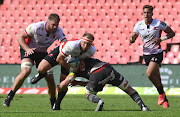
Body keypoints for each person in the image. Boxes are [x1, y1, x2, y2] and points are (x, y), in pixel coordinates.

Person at [3, 13, 67, 109]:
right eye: (53, 24)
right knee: (26, 71)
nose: (55, 27)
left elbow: (64, 44)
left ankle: (54, 104)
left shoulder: (58, 31)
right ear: (48, 22)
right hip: (29, 50)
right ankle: (10, 96)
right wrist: (27, 49)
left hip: (42, 53)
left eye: (57, 25)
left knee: (50, 77)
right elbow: (20, 36)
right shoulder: (36, 27)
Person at [56, 57, 150, 111]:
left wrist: (59, 87)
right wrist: (78, 83)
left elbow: (64, 83)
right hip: (108, 68)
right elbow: (92, 83)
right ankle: (143, 107)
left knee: (88, 94)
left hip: (97, 73)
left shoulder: (74, 72)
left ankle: (99, 101)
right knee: (128, 89)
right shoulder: (88, 59)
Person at [30, 33, 96, 110]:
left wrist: (81, 62)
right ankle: (41, 74)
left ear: (91, 45)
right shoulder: (72, 45)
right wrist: (71, 69)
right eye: (84, 43)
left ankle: (57, 105)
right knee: (41, 68)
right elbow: (59, 59)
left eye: (88, 44)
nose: (85, 46)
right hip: (60, 54)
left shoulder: (92, 51)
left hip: (71, 60)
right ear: (81, 41)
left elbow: (83, 58)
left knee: (62, 85)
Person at [129, 5, 175, 108]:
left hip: (157, 53)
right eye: (144, 13)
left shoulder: (159, 24)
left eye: (148, 13)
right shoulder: (138, 25)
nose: (146, 14)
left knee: (149, 74)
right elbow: (133, 38)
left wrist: (161, 39)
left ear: (152, 14)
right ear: (143, 13)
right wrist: (131, 38)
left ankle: (160, 94)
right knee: (157, 78)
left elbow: (172, 33)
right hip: (146, 54)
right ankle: (165, 100)